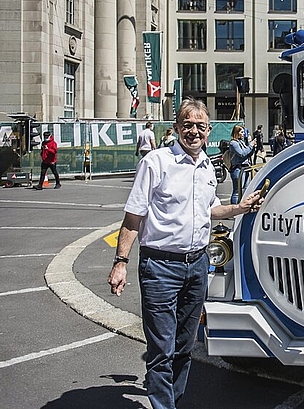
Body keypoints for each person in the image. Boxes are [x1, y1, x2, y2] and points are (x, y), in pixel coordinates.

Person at [107, 99, 264, 409]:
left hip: (197, 265)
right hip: (160, 267)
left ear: (208, 132)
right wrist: (121, 262)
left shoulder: (207, 166)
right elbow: (134, 216)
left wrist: (240, 208)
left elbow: (210, 209)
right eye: (187, 125)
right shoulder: (156, 162)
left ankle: (173, 401)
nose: (194, 131)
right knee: (162, 347)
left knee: (184, 346)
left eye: (200, 126)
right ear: (176, 127)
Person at [229, 124, 255, 204]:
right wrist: (250, 146)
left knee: (245, 189)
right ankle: (234, 210)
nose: (244, 134)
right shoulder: (233, 143)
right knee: (237, 191)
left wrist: (252, 148)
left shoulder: (241, 142)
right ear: (237, 133)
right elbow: (242, 154)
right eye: (242, 132)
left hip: (245, 168)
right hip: (238, 169)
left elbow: (247, 154)